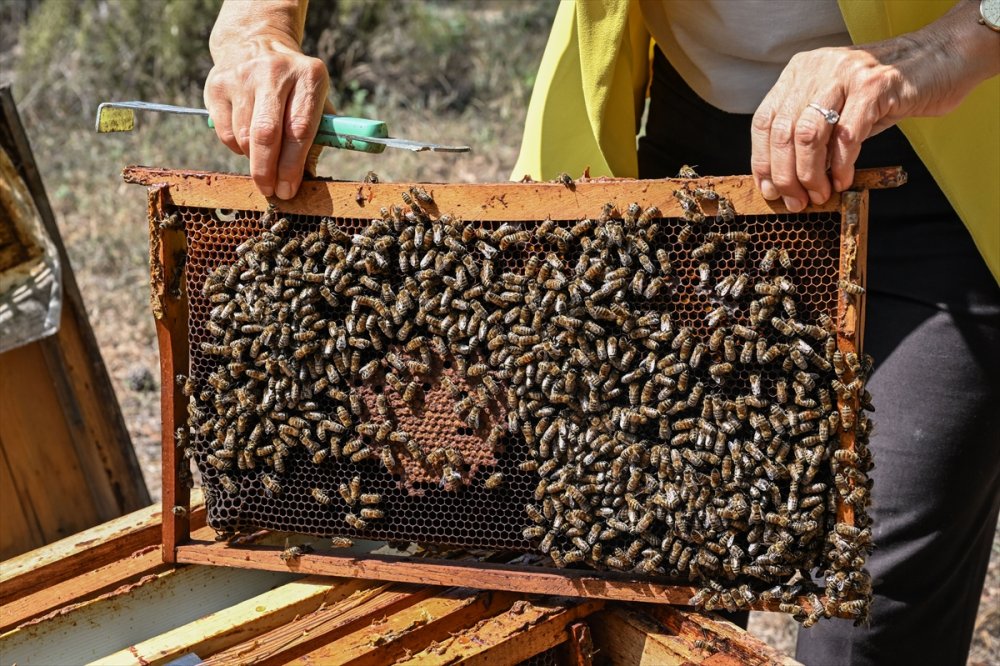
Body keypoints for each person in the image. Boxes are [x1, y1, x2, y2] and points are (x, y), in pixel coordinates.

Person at [205, 1, 999, 663]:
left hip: (946, 141)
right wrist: (255, 28)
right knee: (643, 556)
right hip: (696, 155)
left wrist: (939, 49)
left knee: (875, 600)